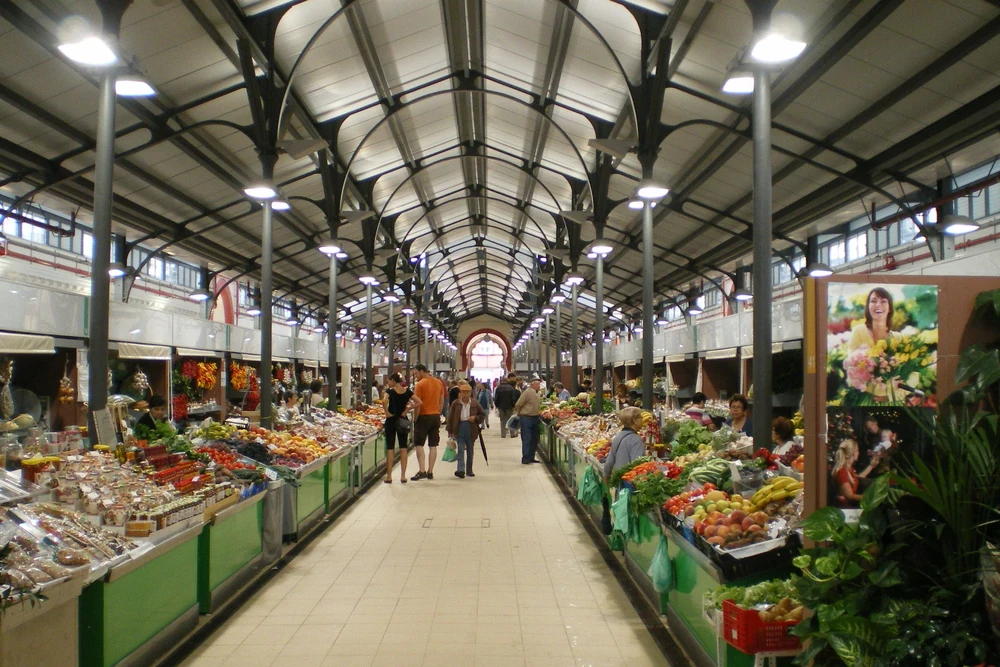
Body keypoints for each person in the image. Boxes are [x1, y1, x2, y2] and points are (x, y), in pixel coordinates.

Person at [384, 373, 420, 484]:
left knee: (390, 448)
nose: (388, 383)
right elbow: (419, 402)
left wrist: (387, 412)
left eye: (389, 381)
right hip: (403, 421)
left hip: (391, 421)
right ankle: (403, 476)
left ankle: (389, 476)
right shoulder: (407, 392)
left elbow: (383, 401)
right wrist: (407, 409)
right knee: (403, 448)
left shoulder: (389, 391)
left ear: (393, 381)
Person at [411, 364, 444, 481]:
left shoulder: (419, 385)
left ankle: (422, 470)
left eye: (415, 373)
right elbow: (442, 400)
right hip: (435, 416)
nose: (415, 376)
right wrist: (438, 412)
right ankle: (430, 471)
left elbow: (418, 405)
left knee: (419, 444)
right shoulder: (438, 382)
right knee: (433, 445)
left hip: (423, 417)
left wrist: (415, 418)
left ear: (421, 371)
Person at [447, 381, 484, 479]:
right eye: (463, 392)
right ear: (460, 392)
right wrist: (449, 430)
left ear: (470, 393)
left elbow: (482, 415)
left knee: (470, 450)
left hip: (471, 428)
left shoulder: (475, 403)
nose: (465, 394)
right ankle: (460, 470)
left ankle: (469, 470)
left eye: (467, 392)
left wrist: (475, 417)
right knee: (460, 449)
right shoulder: (456, 403)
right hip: (459, 427)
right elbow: (450, 417)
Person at [832, 439, 881, 507]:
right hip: (845, 510)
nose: (858, 453)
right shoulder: (842, 472)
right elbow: (849, 496)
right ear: (853, 453)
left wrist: (871, 466)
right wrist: (870, 498)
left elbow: (857, 478)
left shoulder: (849, 469)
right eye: (857, 451)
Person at [603, 407, 646, 481]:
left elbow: (609, 462)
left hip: (620, 482)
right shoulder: (636, 440)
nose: (643, 420)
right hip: (630, 483)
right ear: (634, 421)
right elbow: (637, 465)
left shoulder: (618, 436)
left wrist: (606, 478)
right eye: (640, 417)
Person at [514, 376, 542, 464]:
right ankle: (526, 458)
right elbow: (518, 404)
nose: (539, 386)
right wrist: (519, 413)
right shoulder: (527, 392)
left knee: (534, 438)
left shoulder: (537, 393)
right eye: (537, 384)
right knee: (527, 438)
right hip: (526, 418)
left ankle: (531, 456)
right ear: (532, 385)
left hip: (535, 418)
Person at [494, 373, 520, 438]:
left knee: (502, 420)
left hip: (501, 406)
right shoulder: (511, 388)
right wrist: (513, 405)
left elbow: (496, 398)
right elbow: (513, 398)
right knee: (510, 420)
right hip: (509, 406)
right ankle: (512, 434)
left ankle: (503, 434)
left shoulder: (498, 388)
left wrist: (497, 405)